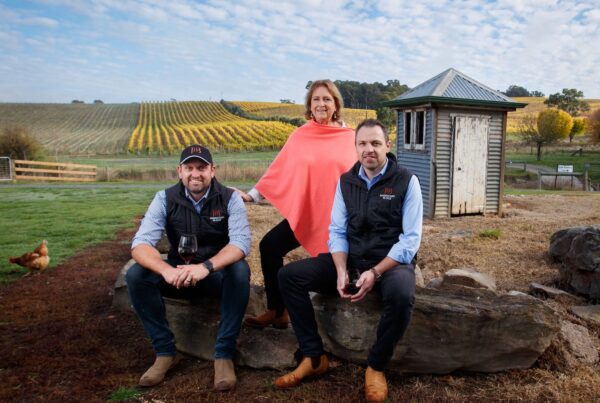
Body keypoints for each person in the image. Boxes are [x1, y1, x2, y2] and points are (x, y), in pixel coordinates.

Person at [275, 119, 423, 402]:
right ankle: (313, 357)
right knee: (289, 276)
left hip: (390, 263)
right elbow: (338, 231)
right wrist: (341, 270)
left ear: (387, 147)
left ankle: (376, 366)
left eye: (376, 143)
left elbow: (410, 240)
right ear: (355, 147)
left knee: (403, 295)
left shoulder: (407, 181)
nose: (369, 149)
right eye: (363, 143)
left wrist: (375, 273)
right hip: (352, 259)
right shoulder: (346, 181)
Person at [126, 144, 251, 391]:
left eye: (202, 167)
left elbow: (240, 242)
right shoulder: (164, 198)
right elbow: (140, 243)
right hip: (176, 272)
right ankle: (165, 353)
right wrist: (166, 271)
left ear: (212, 170)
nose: (196, 174)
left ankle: (223, 355)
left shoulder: (230, 198)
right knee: (136, 275)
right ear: (179, 171)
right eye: (190, 168)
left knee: (239, 270)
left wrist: (206, 267)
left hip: (212, 274)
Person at [239, 80, 357, 329]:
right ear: (309, 105)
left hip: (342, 219)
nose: (321, 104)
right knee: (270, 246)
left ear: (336, 104)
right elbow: (279, 170)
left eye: (327, 99)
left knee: (332, 267)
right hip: (309, 213)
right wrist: (252, 195)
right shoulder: (301, 135)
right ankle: (277, 310)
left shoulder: (352, 138)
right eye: (316, 99)